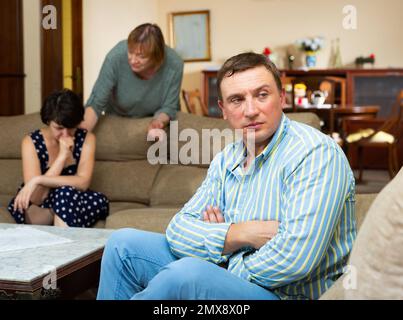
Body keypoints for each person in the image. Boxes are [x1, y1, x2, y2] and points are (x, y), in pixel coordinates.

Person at [96, 52, 356, 300]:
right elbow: (178, 230)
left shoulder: (315, 153)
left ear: (282, 97)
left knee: (187, 275)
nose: (251, 110)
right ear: (223, 109)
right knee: (122, 245)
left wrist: (220, 257)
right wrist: (237, 234)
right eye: (237, 100)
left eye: (262, 95)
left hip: (291, 294)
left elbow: (294, 259)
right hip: (236, 273)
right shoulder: (227, 158)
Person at [8, 89, 109, 228]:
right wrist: (61, 158)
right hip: (41, 205)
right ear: (48, 121)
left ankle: (61, 233)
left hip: (76, 199)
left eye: (71, 128)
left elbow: (83, 182)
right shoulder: (31, 142)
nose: (65, 134)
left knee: (65, 193)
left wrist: (39, 179)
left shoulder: (87, 139)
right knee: (61, 197)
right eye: (59, 128)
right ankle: (64, 229)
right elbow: (36, 197)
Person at [80, 23, 184, 140]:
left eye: (141, 56)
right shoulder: (116, 57)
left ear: (157, 57)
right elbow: (96, 104)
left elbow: (169, 106)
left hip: (152, 121)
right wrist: (79, 137)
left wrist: (158, 122)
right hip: (117, 122)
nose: (133, 60)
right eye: (130, 52)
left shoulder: (174, 64)